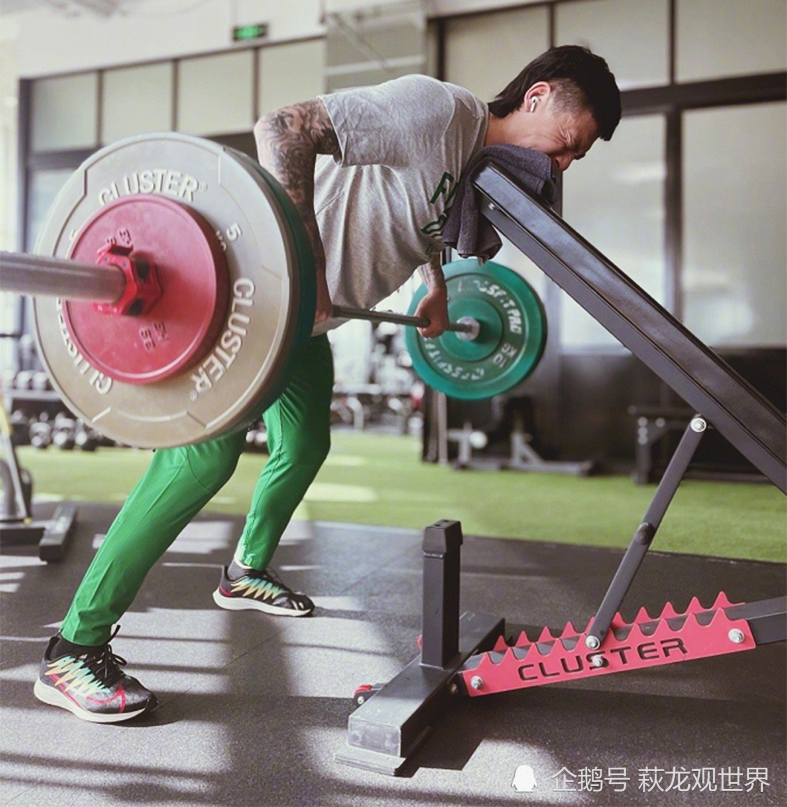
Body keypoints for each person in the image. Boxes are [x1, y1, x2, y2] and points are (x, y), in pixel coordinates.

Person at [33, 44, 621, 722]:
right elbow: (282, 127)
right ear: (537, 96)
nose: (561, 164)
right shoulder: (438, 108)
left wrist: (433, 283)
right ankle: (74, 646)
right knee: (202, 458)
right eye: (567, 145)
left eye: (574, 158)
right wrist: (308, 256)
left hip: (306, 327)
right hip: (264, 303)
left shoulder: (465, 162)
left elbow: (418, 215)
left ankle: (244, 571)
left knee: (305, 441)